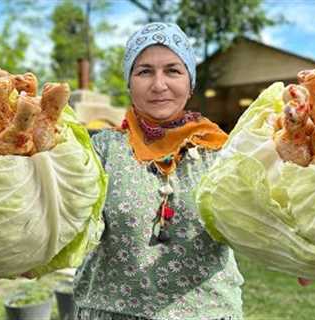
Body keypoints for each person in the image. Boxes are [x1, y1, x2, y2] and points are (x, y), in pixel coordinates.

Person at [69, 22, 244, 320]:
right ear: (129, 82)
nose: (158, 84)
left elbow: (261, 219)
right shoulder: (102, 150)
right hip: (110, 311)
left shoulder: (224, 154)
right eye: (144, 71)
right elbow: (61, 216)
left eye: (173, 70)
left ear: (190, 84)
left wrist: (299, 253)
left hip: (208, 312)